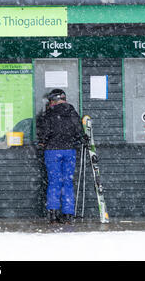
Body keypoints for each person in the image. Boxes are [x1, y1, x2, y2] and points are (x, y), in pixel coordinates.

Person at [36, 89, 85, 224]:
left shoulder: (49, 113)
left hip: (52, 151)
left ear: (53, 100)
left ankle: (53, 213)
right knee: (68, 182)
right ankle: (68, 214)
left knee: (54, 182)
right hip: (69, 151)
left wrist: (42, 142)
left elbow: (44, 132)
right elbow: (79, 131)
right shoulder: (72, 113)